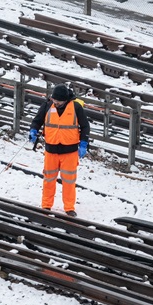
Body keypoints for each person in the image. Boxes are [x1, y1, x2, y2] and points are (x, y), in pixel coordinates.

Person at [29, 84, 90, 217]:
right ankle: (46, 205)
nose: (55, 103)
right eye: (54, 100)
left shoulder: (76, 107)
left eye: (58, 101)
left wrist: (84, 143)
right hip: (51, 150)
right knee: (48, 178)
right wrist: (33, 130)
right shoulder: (47, 106)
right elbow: (37, 121)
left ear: (65, 100)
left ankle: (69, 207)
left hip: (70, 151)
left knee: (69, 181)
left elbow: (85, 126)